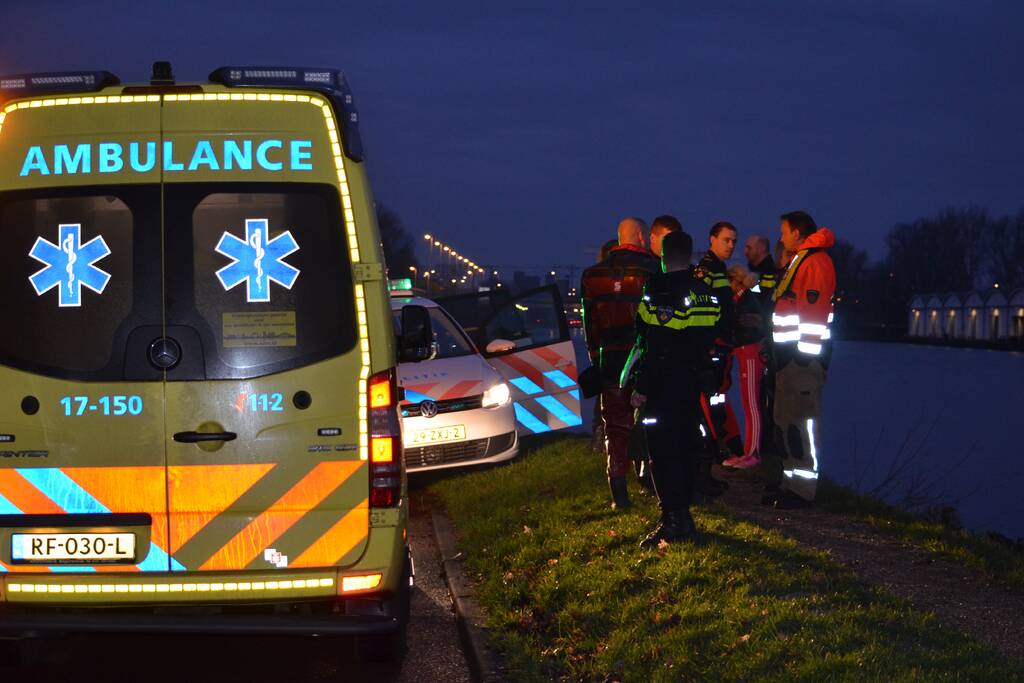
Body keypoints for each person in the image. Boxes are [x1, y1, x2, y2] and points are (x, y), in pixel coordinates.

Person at [622, 230, 721, 545]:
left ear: (663, 257)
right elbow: (713, 336)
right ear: (690, 255)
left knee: (663, 454)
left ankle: (673, 521)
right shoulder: (705, 291)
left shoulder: (661, 290)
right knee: (686, 449)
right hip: (692, 385)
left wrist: (642, 386)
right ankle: (684, 517)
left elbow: (656, 344)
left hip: (665, 385)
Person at [581, 218, 660, 510]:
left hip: (610, 359)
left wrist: (595, 355)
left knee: (614, 426)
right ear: (640, 235)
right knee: (651, 419)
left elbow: (590, 323)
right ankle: (652, 479)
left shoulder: (592, 275)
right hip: (644, 357)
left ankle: (619, 492)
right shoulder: (653, 269)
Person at [763, 211, 836, 509]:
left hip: (802, 361)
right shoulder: (800, 260)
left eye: (784, 232)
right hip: (788, 359)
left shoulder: (815, 262)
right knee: (786, 421)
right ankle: (789, 482)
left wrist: (805, 357)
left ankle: (803, 491)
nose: (781, 238)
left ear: (797, 232)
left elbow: (814, 315)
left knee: (802, 423)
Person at [697, 222, 741, 491]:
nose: (731, 245)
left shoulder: (719, 268)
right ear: (712, 239)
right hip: (712, 347)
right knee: (708, 403)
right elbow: (704, 307)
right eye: (726, 240)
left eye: (734, 241)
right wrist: (710, 342)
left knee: (716, 401)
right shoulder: (708, 269)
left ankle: (715, 453)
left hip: (720, 347)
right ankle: (707, 462)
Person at [722, 265, 767, 469]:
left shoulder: (745, 301)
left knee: (751, 404)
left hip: (749, 352)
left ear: (735, 281)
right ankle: (748, 451)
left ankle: (753, 453)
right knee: (748, 403)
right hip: (745, 352)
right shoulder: (743, 299)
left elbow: (748, 328)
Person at [590, 238, 622, 455]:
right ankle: (602, 435)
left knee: (606, 392)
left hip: (608, 346)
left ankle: (603, 436)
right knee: (607, 392)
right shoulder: (607, 283)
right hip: (610, 346)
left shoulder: (596, 281)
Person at [744, 234, 779, 301]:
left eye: (749, 248)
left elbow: (764, 298)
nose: (745, 252)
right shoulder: (753, 270)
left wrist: (746, 287)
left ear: (761, 248)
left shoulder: (770, 273)